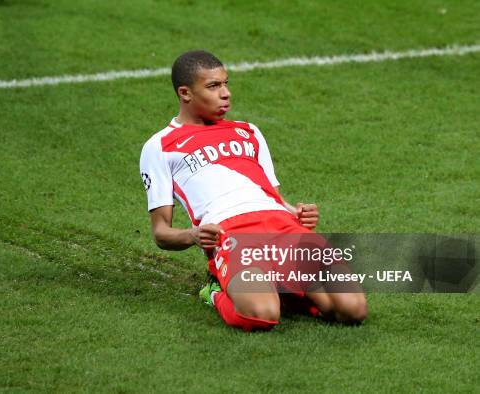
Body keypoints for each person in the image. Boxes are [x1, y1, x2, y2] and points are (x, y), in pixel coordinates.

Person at [139, 50, 367, 331]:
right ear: (185, 93)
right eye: (213, 86)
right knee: (262, 315)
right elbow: (161, 232)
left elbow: (274, 197)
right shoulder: (160, 146)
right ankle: (214, 291)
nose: (226, 93)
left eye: (225, 83)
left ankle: (282, 289)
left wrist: (296, 212)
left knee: (352, 310)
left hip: (282, 227)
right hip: (233, 235)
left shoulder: (249, 132)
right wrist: (193, 235)